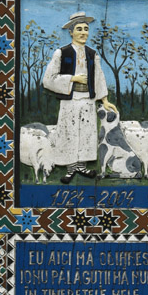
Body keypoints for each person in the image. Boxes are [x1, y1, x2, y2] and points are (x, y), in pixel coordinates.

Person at [42, 11, 117, 184]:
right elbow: (48, 80)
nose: (83, 32)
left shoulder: (92, 54)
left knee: (86, 133)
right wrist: (72, 79)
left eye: (86, 29)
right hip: (70, 99)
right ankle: (70, 169)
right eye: (79, 29)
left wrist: (104, 100)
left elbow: (99, 77)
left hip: (88, 100)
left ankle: (82, 166)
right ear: (71, 32)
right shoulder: (61, 53)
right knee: (69, 132)